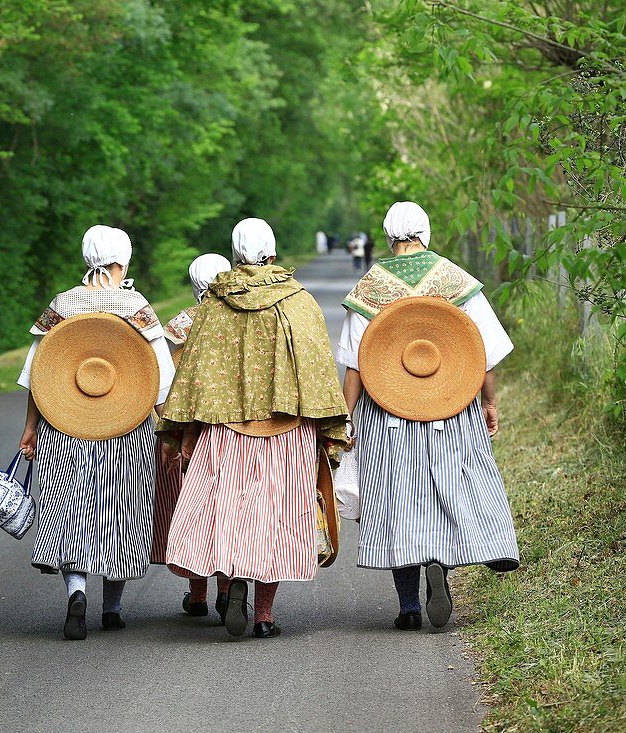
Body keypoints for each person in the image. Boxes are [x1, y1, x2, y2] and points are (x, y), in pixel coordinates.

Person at [158, 218, 349, 638]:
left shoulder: (214, 304)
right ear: (273, 253)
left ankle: (231, 583)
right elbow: (316, 370)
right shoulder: (297, 301)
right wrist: (327, 429)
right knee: (276, 516)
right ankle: (263, 615)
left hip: (224, 430)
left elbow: (194, 375)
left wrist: (185, 433)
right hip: (287, 430)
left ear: (234, 253)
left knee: (227, 511)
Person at [338, 201, 520, 631]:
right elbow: (483, 355)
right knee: (451, 487)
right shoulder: (454, 280)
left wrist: (346, 420)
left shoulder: (371, 287)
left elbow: (355, 365)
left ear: (388, 234)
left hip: (389, 413)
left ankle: (408, 607)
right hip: (452, 404)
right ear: (425, 232)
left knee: (399, 501)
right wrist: (489, 403)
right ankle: (442, 562)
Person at [17, 224, 175, 640]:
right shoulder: (135, 306)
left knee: (69, 507)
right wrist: (168, 428)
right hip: (125, 425)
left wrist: (30, 429)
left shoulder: (63, 304)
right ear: (122, 260)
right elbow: (160, 376)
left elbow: (38, 373)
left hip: (65, 422)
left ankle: (76, 589)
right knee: (121, 509)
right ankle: (113, 607)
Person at [155, 253, 232, 619]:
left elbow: (167, 381)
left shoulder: (182, 324)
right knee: (228, 507)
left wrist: (169, 432)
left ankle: (197, 593)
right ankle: (227, 588)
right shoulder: (236, 319)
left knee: (192, 510)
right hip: (228, 426)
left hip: (188, 425)